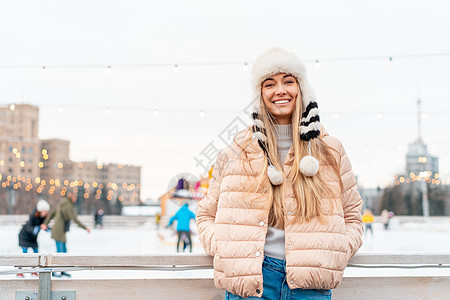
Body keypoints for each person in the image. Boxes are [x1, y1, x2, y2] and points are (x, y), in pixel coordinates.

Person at [196, 48, 364, 299]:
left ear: (301, 89)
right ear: (260, 95)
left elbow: (352, 216)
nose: (280, 90)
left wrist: (334, 251)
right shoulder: (235, 152)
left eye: (288, 81)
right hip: (253, 284)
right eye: (269, 84)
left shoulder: (331, 150)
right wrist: (225, 250)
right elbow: (206, 214)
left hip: (311, 285)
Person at [41, 191, 90, 277]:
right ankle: (55, 271)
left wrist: (45, 223)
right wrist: (85, 228)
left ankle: (62, 271)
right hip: (59, 231)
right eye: (75, 197)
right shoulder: (68, 206)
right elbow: (74, 219)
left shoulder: (62, 203)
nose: (76, 199)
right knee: (60, 253)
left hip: (58, 230)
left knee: (62, 252)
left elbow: (53, 213)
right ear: (72, 197)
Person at [17, 199, 50, 277]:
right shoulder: (33, 216)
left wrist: (47, 228)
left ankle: (34, 270)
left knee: (36, 253)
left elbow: (43, 225)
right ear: (40, 210)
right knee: (24, 253)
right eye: (44, 211)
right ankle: (19, 271)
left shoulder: (43, 217)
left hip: (33, 239)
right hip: (24, 237)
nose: (46, 213)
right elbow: (29, 227)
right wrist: (37, 228)